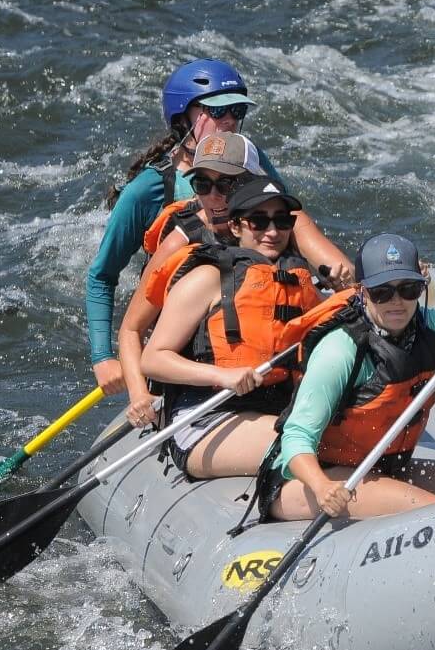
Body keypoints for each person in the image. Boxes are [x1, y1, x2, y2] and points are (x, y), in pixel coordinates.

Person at [85, 59, 352, 399]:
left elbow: (300, 233)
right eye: (216, 111)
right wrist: (104, 359)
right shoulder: (149, 189)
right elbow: (101, 276)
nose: (229, 121)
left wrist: (360, 282)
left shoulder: (251, 161)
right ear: (184, 118)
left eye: (236, 110)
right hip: (188, 330)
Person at [265, 235, 435, 522]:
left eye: (408, 289)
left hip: (382, 467)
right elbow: (297, 436)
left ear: (421, 287)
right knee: (434, 513)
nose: (397, 302)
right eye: (382, 292)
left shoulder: (431, 325)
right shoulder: (340, 349)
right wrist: (322, 487)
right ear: (363, 292)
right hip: (312, 479)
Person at [140, 175, 326, 479]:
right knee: (310, 443)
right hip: (207, 415)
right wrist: (223, 376)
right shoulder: (207, 278)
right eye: (259, 221)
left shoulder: (300, 284)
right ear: (236, 226)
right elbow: (152, 359)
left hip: (272, 408)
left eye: (281, 221)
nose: (272, 231)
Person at [117, 131, 264, 428]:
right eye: (202, 185)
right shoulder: (178, 244)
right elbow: (132, 329)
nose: (214, 196)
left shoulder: (275, 225)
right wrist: (138, 395)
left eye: (226, 183)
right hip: (199, 388)